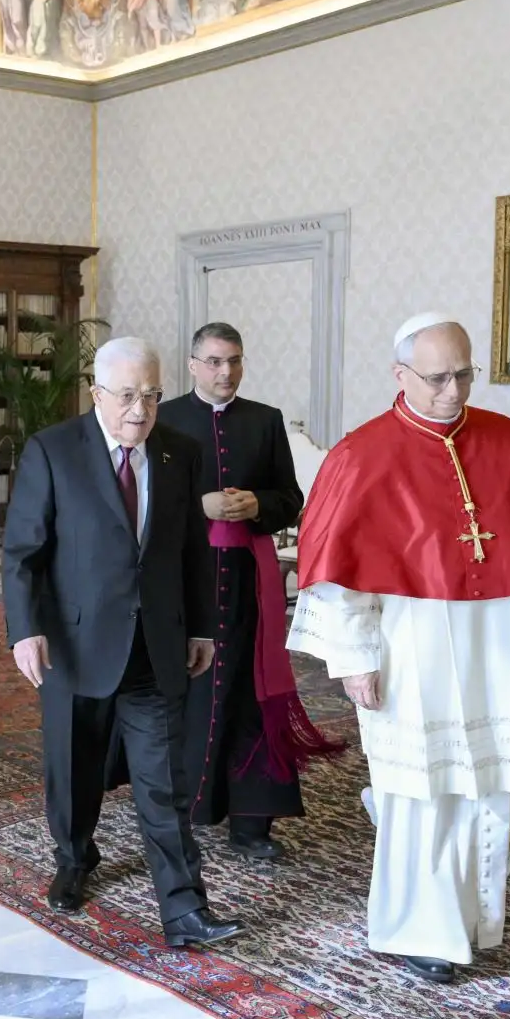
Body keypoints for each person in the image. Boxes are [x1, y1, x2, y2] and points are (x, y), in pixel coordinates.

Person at [285, 312, 510, 983]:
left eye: (463, 374)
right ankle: (425, 930)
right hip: (416, 652)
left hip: (506, 649)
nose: (453, 391)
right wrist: (355, 658)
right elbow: (339, 575)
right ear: (400, 376)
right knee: (428, 792)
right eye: (436, 378)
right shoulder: (361, 456)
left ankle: (472, 914)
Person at [2, 337, 242, 947]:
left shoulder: (178, 455)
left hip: (155, 643)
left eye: (153, 395)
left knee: (163, 779)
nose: (140, 410)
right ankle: (75, 859)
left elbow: (193, 548)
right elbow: (22, 553)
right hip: (75, 644)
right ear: (97, 394)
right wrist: (25, 630)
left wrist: (201, 627)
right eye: (128, 396)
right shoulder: (53, 451)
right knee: (75, 766)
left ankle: (184, 909)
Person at [162, 323, 343, 861]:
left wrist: (258, 505)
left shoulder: (264, 420)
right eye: (215, 362)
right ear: (193, 364)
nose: (226, 372)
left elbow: (292, 497)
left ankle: (251, 823)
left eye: (235, 361)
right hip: (186, 578)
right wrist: (201, 506)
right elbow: (143, 501)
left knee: (248, 691)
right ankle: (185, 811)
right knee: (189, 695)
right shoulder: (165, 419)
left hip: (247, 579)